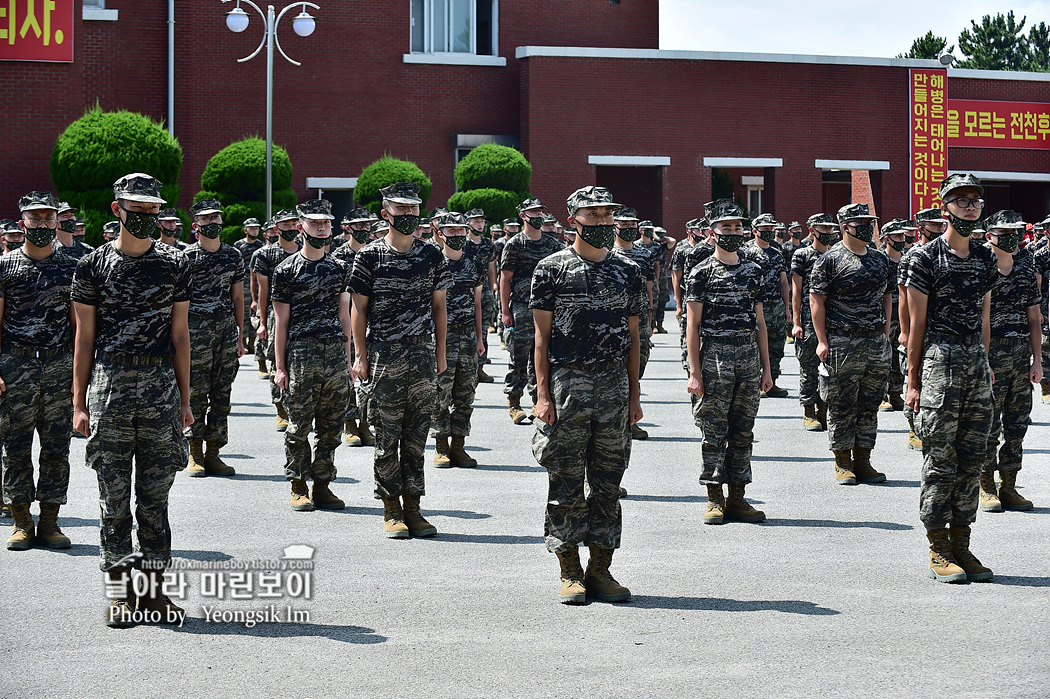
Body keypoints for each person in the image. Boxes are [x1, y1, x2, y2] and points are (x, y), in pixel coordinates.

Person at [72, 173, 191, 626]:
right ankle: (122, 594)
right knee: (113, 499)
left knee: (155, 498)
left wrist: (185, 399)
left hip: (160, 387)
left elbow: (180, 335)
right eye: (135, 209)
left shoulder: (175, 264)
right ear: (116, 208)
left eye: (151, 210)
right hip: (111, 386)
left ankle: (156, 593)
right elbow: (84, 339)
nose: (143, 217)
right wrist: (80, 403)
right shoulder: (93, 266)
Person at [532, 186, 642, 604]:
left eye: (606, 215)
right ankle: (570, 571)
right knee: (565, 480)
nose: (600, 222)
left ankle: (601, 570)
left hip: (614, 385)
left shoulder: (628, 270)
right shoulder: (551, 269)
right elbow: (540, 339)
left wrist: (634, 395)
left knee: (609, 481)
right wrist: (542, 396)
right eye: (592, 215)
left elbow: (634, 338)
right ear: (573, 218)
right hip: (567, 385)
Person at [904, 173, 997, 584]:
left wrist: (987, 361)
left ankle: (962, 542)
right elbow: (915, 325)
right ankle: (938, 547)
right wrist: (912, 381)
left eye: (975, 201)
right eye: (961, 201)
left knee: (972, 458)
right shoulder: (923, 258)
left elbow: (985, 315)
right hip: (939, 361)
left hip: (975, 362)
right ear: (945, 208)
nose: (970, 207)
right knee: (941, 460)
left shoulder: (985, 256)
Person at [350, 182, 451, 538]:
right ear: (385, 214)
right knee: (386, 436)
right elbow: (358, 309)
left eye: (412, 210)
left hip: (422, 355)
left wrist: (440, 354)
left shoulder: (431, 255)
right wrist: (360, 356)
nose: (407, 216)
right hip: (383, 356)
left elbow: (439, 307)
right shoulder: (369, 256)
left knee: (416, 437)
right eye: (400, 210)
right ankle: (390, 508)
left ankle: (414, 507)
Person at [685, 200, 772, 526]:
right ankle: (714, 498)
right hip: (715, 356)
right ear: (713, 232)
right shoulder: (701, 273)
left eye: (738, 227)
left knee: (743, 429)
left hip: (747, 356)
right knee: (714, 430)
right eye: (727, 227)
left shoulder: (753, 271)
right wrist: (695, 372)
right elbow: (692, 327)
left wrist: (767, 367)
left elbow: (760, 323)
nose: (734, 232)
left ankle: (737, 497)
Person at [1, 191, 77, 550]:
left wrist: (81, 377)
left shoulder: (72, 267)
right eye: (36, 219)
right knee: (15, 447)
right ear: (22, 224)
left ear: (57, 222)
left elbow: (80, 326)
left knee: (56, 447)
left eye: (49, 218)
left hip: (59, 364)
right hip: (15, 364)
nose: (43, 224)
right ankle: (20, 522)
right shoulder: (5, 266)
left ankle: (49, 522)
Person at [271, 199, 353, 512]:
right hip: (301, 353)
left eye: (326, 223)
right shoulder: (286, 270)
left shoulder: (339, 268)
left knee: (332, 426)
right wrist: (280, 367)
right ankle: (297, 485)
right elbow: (281, 321)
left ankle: (322, 485)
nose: (321, 228)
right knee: (299, 426)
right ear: (301, 226)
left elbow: (344, 316)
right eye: (315, 223)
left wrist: (347, 360)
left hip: (333, 352)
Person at [809, 203, 893, 486]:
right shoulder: (830, 260)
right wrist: (822, 340)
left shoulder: (880, 259)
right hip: (842, 341)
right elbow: (816, 300)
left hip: (874, 341)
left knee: (869, 404)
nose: (868, 227)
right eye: (861, 222)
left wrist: (886, 331)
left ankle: (864, 459)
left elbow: (887, 296)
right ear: (845, 226)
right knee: (842, 403)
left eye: (870, 221)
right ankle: (843, 462)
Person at [981, 210, 1042, 513]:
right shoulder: (981, 270)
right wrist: (984, 360)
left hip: (1020, 356)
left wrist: (1038, 360)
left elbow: (1034, 318)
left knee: (1017, 425)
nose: (1012, 237)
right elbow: (981, 320)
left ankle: (1009, 486)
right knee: (989, 425)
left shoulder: (1025, 271)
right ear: (989, 235)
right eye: (1005, 232)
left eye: (1016, 231)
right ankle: (986, 486)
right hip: (991, 355)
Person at [182, 198, 244, 478]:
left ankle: (214, 453)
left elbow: (238, 297)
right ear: (196, 226)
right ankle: (194, 453)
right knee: (196, 392)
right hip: (194, 331)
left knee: (222, 393)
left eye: (217, 218)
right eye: (207, 220)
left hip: (225, 332)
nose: (214, 224)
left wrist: (240, 335)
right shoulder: (186, 258)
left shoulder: (233, 255)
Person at [500, 199, 563, 424]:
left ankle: (539, 399)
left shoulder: (552, 244)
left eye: (540, 211)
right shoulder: (515, 243)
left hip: (546, 309)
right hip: (522, 307)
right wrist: (505, 311)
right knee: (518, 356)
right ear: (523, 216)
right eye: (533, 212)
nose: (538, 215)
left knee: (543, 355)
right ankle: (514, 402)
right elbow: (505, 278)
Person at [430, 213, 485, 468]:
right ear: (440, 233)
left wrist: (480, 338)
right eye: (451, 231)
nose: (457, 235)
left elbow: (477, 304)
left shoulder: (474, 264)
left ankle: (459, 445)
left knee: (466, 393)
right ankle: (441, 445)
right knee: (441, 392)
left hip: (468, 336)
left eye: (461, 230)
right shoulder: (432, 263)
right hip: (442, 336)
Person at [897, 208, 947, 451]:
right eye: (933, 225)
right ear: (921, 228)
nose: (939, 228)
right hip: (918, 329)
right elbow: (903, 297)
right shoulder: (913, 255)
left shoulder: (945, 253)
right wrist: (905, 331)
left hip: (940, 329)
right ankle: (912, 426)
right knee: (913, 376)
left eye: (941, 224)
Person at [253, 209, 300, 431]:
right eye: (286, 225)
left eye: (293, 224)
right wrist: (262, 321)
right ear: (276, 228)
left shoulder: (305, 250)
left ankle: (297, 409)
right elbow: (263, 292)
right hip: (275, 314)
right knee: (277, 361)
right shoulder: (265, 255)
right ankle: (281, 410)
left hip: (302, 313)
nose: (290, 228)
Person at [332, 207, 376, 447]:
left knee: (370, 375)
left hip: (373, 322)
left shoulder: (374, 253)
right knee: (348, 373)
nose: (364, 230)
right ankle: (349, 424)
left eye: (367, 225)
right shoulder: (338, 256)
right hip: (345, 322)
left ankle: (365, 423)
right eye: (358, 226)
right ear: (348, 228)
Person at [611, 208, 655, 440]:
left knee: (638, 365)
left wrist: (649, 314)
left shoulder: (644, 254)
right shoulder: (608, 253)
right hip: (616, 319)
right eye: (624, 225)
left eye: (632, 225)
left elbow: (648, 286)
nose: (628, 229)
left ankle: (630, 413)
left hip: (639, 318)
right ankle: (623, 420)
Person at [791, 213, 837, 431]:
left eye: (830, 229)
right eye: (823, 229)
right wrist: (797, 321)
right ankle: (809, 411)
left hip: (832, 320)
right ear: (812, 230)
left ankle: (824, 410)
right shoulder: (802, 255)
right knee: (809, 367)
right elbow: (797, 290)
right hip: (809, 320)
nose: (828, 233)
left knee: (831, 368)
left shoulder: (836, 255)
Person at [743, 213, 791, 397]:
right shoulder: (746, 252)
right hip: (756, 306)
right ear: (755, 230)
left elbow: (784, 281)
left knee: (776, 345)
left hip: (776, 306)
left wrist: (787, 307)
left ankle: (772, 381)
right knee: (755, 345)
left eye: (771, 228)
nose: (770, 232)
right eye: (766, 229)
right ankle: (755, 383)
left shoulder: (777, 252)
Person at [878, 218, 914, 412]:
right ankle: (882, 395)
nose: (902, 238)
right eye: (897, 236)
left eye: (903, 235)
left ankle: (895, 392)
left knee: (900, 356)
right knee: (884, 356)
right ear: (887, 239)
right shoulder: (879, 259)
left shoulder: (908, 258)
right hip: (885, 315)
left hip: (904, 315)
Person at [464, 208, 496, 384]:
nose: (480, 224)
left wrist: (490, 290)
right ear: (468, 223)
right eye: (476, 221)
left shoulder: (488, 244)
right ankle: (468, 368)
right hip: (466, 292)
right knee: (468, 330)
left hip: (484, 292)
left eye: (482, 221)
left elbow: (491, 268)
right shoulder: (463, 244)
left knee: (483, 330)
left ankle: (480, 367)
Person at [234, 217, 264, 356]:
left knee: (256, 312)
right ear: (245, 230)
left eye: (257, 228)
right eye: (252, 228)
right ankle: (243, 341)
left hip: (257, 280)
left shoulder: (260, 245)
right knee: (243, 312)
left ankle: (252, 342)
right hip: (242, 281)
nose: (255, 230)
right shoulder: (239, 245)